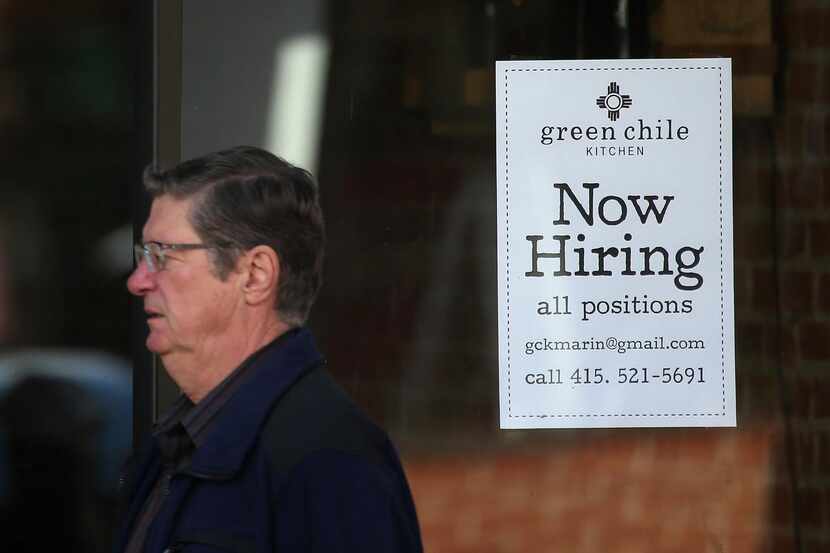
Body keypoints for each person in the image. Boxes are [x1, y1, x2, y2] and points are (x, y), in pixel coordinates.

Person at [116, 146, 423, 553]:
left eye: (162, 255)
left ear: (256, 274)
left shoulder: (331, 461)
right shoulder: (173, 447)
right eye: (143, 254)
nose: (137, 281)